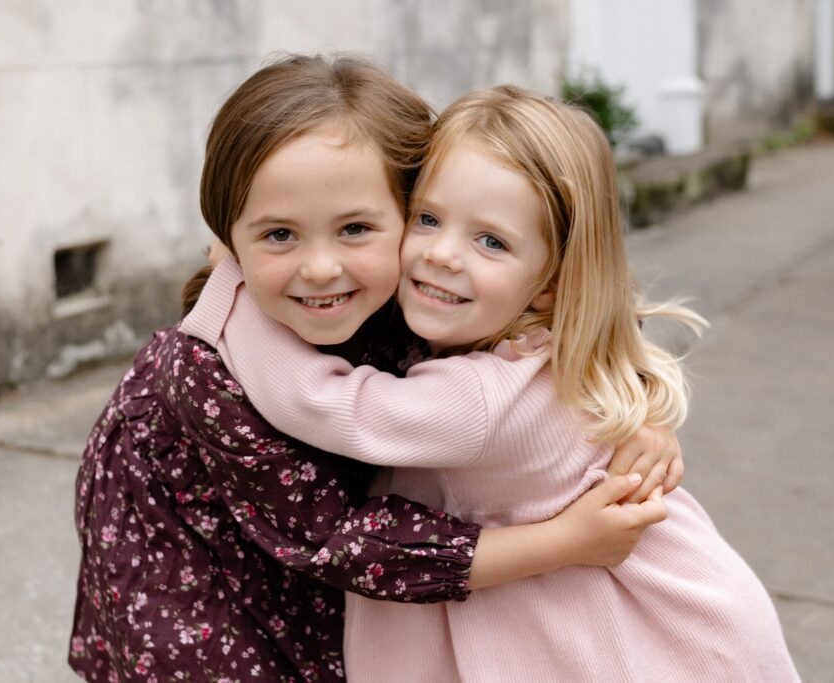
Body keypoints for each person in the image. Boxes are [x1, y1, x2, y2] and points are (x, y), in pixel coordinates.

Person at [70, 56, 680, 682]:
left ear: (413, 206)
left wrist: (627, 416)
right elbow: (336, 540)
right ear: (230, 235)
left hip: (318, 535)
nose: (320, 269)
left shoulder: (421, 275)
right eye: (278, 234)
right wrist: (566, 542)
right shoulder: (204, 371)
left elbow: (570, 294)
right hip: (192, 548)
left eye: (355, 228)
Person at [194, 85, 802, 681]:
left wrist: (235, 287)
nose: (444, 255)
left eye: (491, 241)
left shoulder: (482, 401)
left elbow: (331, 406)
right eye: (428, 219)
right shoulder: (531, 336)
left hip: (633, 640)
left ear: (549, 283)